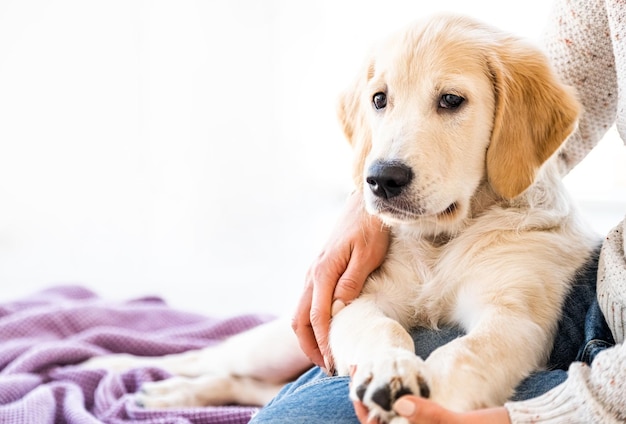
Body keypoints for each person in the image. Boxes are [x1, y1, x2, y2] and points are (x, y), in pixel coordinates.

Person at [252, 0, 626, 422]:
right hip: (599, 305)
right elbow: (567, 84)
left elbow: (506, 328)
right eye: (381, 99)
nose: (388, 162)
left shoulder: (529, 232)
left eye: (450, 100)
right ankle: (211, 377)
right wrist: (382, 347)